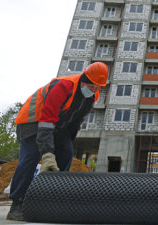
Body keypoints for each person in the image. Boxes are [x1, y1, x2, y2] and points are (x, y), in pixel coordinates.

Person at [6, 62, 109, 221]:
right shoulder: (64, 86)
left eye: (97, 87)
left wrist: (65, 146)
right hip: (33, 121)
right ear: (84, 78)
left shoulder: (93, 95)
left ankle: (51, 199)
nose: (94, 90)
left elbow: (75, 122)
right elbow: (47, 120)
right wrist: (47, 153)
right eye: (91, 86)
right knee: (31, 157)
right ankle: (17, 204)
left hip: (57, 126)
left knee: (66, 153)